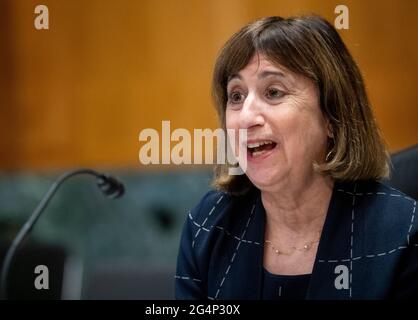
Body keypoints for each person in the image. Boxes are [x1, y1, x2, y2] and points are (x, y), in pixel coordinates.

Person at [175, 15, 418, 300]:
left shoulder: (402, 233)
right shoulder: (208, 224)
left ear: (331, 116)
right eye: (236, 96)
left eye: (273, 92)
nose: (246, 117)